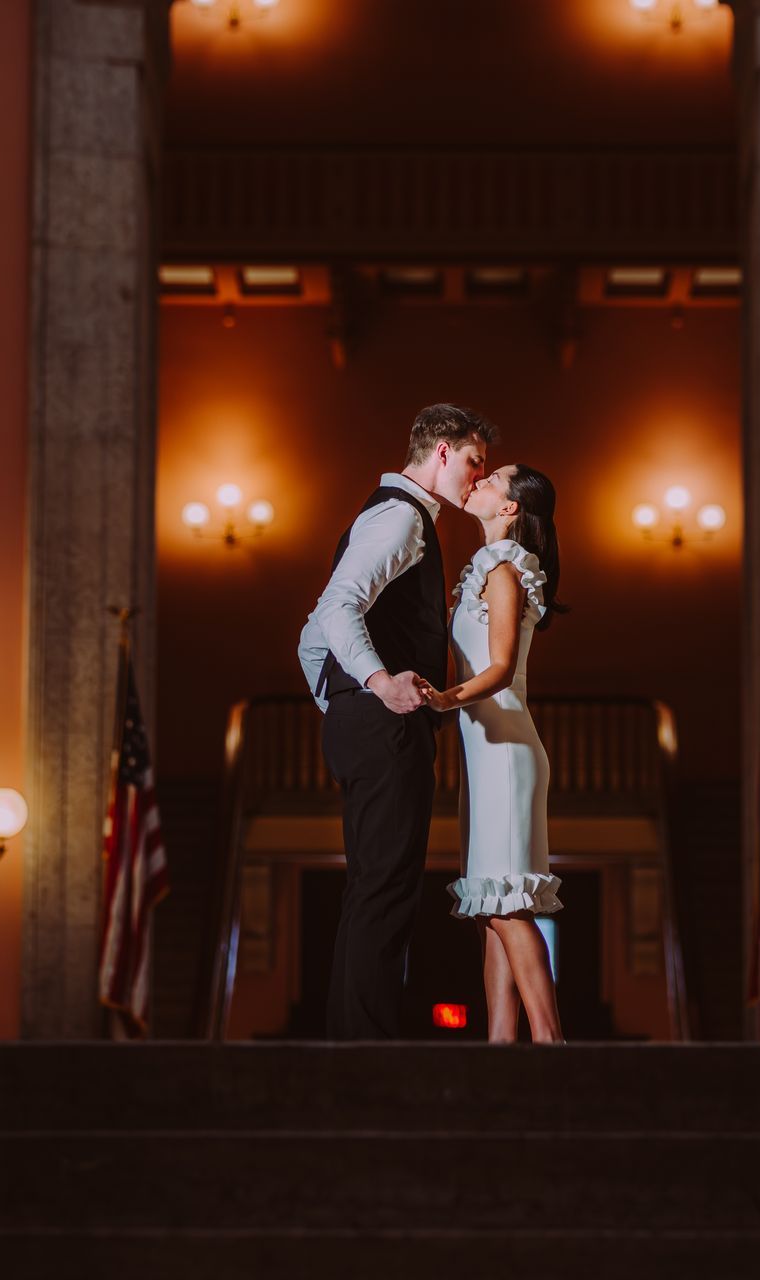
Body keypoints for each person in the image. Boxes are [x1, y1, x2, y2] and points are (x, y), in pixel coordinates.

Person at [297, 404, 496, 1040]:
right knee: (385, 891)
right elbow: (335, 608)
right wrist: (378, 687)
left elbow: (310, 639)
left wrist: (341, 702)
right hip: (383, 724)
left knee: (374, 888)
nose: (475, 475)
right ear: (441, 451)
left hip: (366, 723)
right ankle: (366, 1053)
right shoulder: (400, 517)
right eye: (472, 461)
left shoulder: (393, 514)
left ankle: (355, 1044)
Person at [415, 464, 565, 1044]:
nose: (477, 480)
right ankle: (499, 1048)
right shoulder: (486, 567)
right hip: (484, 754)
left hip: (504, 749)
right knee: (490, 905)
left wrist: (442, 699)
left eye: (493, 479)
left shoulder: (504, 570)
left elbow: (500, 669)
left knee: (507, 905)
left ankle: (552, 1046)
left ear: (510, 509)